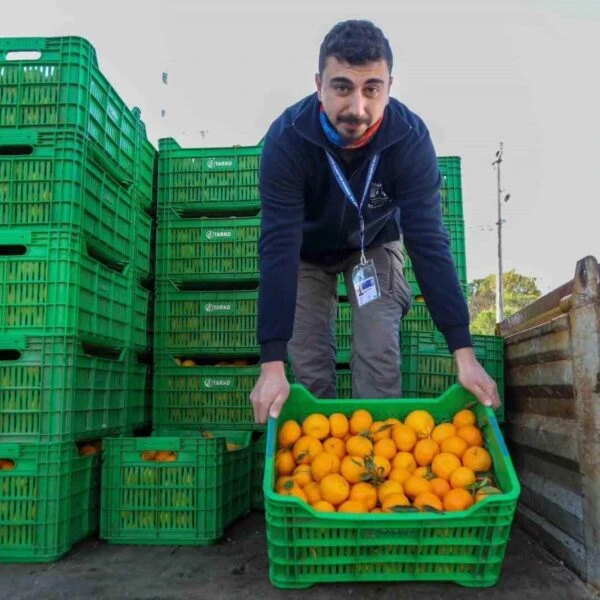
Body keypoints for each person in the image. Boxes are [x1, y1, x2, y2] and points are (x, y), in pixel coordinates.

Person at [250, 19, 500, 424]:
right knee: (308, 364)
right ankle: (324, 466)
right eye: (342, 87)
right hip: (306, 252)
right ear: (319, 85)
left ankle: (378, 459)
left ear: (389, 86)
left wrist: (464, 352)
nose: (357, 108)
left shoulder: (410, 139)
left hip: (374, 243)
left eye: (372, 89)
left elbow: (429, 243)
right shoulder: (287, 138)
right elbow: (278, 246)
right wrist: (270, 364)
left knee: (377, 349)